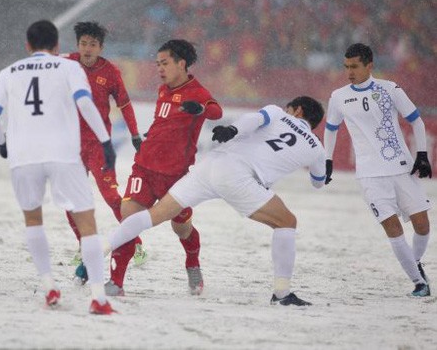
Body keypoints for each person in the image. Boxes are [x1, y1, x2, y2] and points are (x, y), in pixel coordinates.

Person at [103, 96, 327, 305]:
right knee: (287, 222)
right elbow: (319, 181)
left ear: (297, 110)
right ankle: (282, 293)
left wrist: (233, 129)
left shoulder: (277, 113)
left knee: (156, 214)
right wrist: (326, 167)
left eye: (290, 108)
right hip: (241, 178)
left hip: (213, 165)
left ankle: (98, 248)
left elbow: (254, 119)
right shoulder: (317, 148)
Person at [0, 20, 115, 314]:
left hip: (23, 156)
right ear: (57, 47)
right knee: (88, 223)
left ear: (27, 46)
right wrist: (106, 141)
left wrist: (2, 143)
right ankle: (98, 297)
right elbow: (85, 103)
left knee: (33, 220)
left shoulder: (9, 72)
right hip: (63, 154)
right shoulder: (69, 68)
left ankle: (49, 286)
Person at [105, 39, 223, 296]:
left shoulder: (198, 93)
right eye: (157, 63)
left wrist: (200, 108)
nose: (160, 68)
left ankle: (192, 263)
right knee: (129, 219)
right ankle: (116, 283)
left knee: (182, 228)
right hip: (144, 169)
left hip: (176, 178)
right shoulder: (162, 91)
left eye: (165, 63)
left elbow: (216, 112)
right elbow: (165, 122)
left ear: (181, 64)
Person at [324, 43, 432, 297]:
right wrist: (327, 160)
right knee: (393, 228)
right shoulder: (338, 96)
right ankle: (419, 282)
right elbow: (331, 129)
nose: (349, 72)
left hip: (401, 168)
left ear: (369, 65)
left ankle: (414, 263)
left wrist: (423, 155)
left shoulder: (389, 89)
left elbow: (416, 119)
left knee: (423, 225)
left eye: (354, 66)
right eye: (346, 67)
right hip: (370, 175)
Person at [64, 21, 146, 280]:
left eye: (93, 45)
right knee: (70, 200)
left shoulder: (110, 72)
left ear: (101, 48)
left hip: (99, 146)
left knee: (111, 196)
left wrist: (134, 134)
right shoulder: (66, 65)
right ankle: (83, 244)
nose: (87, 49)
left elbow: (125, 105)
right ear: (78, 45)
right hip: (70, 145)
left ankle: (136, 243)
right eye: (84, 44)